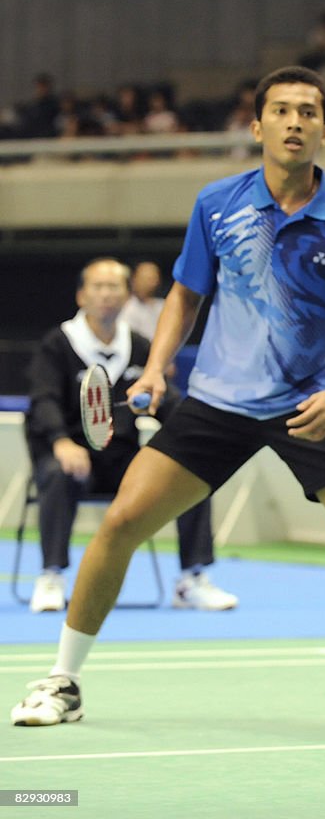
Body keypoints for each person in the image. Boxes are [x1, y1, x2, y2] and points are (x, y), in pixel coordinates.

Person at [11, 67, 325, 737]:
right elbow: (185, 293)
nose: (295, 122)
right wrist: (156, 366)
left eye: (308, 112)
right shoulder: (217, 204)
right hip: (217, 404)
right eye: (281, 111)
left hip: (309, 405)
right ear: (257, 126)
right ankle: (64, 679)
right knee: (120, 524)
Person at [24, 258, 236, 614]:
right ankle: (51, 577)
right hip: (70, 456)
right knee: (60, 475)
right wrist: (61, 440)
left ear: (126, 296)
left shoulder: (139, 346)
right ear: (81, 296)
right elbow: (42, 400)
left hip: (123, 460)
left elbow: (166, 400)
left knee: (193, 474)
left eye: (114, 287)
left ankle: (191, 580)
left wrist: (199, 436)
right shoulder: (58, 344)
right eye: (98, 286)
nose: (106, 294)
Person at [119, 260, 166, 342]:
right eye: (145, 278)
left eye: (153, 278)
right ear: (134, 280)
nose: (151, 283)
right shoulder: (125, 306)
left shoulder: (165, 306)